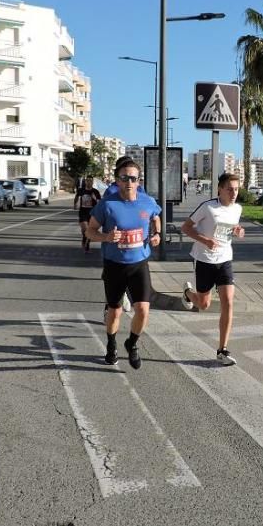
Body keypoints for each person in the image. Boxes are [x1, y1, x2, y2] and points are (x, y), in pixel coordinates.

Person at [86, 158, 162, 369]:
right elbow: (89, 232)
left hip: (139, 264)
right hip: (114, 265)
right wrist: (107, 238)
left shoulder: (146, 201)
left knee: (143, 310)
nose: (129, 181)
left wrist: (157, 234)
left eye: (133, 178)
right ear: (117, 180)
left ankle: (132, 343)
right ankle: (111, 346)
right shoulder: (107, 205)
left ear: (139, 181)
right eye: (124, 178)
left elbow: (156, 217)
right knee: (115, 311)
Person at [180, 172, 245, 366]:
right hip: (204, 260)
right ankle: (187, 294)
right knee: (204, 304)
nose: (234, 193)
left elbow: (233, 226)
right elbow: (186, 228)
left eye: (236, 189)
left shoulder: (237, 208)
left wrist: (238, 230)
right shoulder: (208, 207)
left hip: (225, 260)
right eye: (230, 189)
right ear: (220, 189)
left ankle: (222, 350)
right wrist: (204, 240)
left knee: (228, 302)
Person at [73, 176, 101, 253]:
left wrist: (94, 198)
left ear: (92, 182)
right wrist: (75, 204)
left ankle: (86, 246)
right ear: (85, 182)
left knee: (89, 231)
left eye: (90, 181)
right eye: (87, 181)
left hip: (92, 214)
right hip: (83, 212)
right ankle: (86, 245)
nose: (89, 182)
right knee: (85, 229)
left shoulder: (95, 192)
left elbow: (100, 204)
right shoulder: (81, 190)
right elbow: (76, 197)